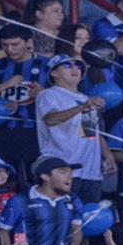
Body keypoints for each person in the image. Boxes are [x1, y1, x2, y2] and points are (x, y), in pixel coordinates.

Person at [36, 54, 115, 203]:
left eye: (78, 66)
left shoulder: (85, 98)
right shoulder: (48, 94)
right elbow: (50, 119)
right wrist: (82, 107)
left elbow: (89, 131)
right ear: (54, 72)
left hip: (90, 171)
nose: (75, 69)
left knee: (89, 213)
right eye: (67, 65)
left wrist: (106, 153)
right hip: (63, 168)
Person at [0, 24, 52, 185]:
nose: (10, 50)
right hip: (1, 132)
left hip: (36, 131)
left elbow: (63, 95)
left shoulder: (48, 66)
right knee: (3, 178)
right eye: (5, 45)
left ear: (29, 42)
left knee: (37, 177)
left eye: (15, 44)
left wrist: (44, 94)